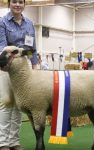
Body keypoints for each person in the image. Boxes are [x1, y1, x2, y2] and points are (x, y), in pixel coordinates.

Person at [0, 0, 38, 149]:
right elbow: (2, 47)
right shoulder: (3, 22)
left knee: (18, 105)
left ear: (24, 4)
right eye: (14, 2)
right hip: (6, 66)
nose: (17, 4)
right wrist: (18, 52)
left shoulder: (29, 23)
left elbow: (32, 47)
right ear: (9, 4)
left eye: (20, 2)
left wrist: (35, 65)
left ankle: (14, 141)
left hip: (25, 67)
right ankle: (3, 142)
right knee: (6, 102)